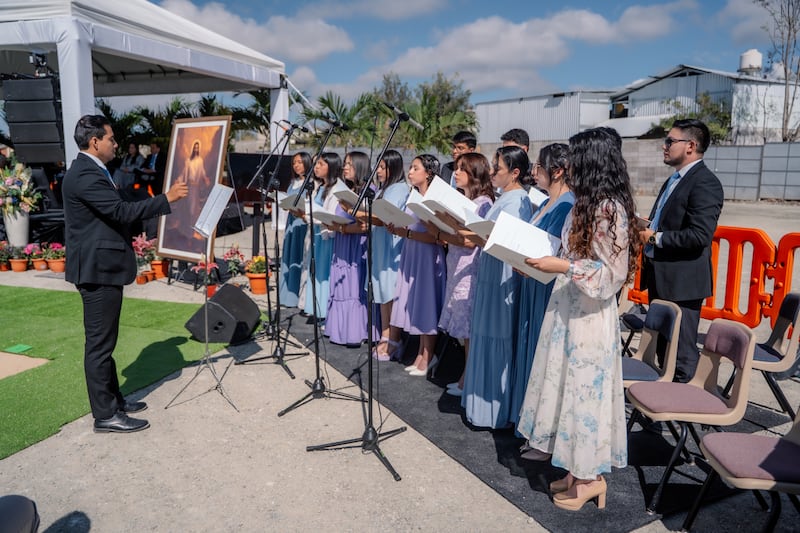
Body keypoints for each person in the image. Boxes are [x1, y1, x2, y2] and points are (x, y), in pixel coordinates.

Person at [516, 127, 640, 511]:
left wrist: (562, 265)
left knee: (585, 395)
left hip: (589, 318)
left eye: (576, 156)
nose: (569, 164)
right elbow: (573, 254)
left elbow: (610, 275)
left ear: (594, 160)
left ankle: (591, 479)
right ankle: (573, 470)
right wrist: (538, 262)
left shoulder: (609, 209)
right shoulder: (584, 204)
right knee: (567, 390)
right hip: (568, 308)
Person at [62, 114, 188, 433]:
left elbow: (116, 208)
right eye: (112, 139)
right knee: (100, 345)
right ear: (95, 142)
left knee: (105, 342)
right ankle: (105, 415)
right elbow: (120, 211)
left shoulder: (92, 169)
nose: (116, 144)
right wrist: (166, 199)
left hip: (102, 268)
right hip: (97, 271)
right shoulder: (85, 174)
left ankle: (114, 401)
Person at [639, 119, 724, 383]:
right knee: (665, 351)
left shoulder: (704, 183)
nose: (664, 147)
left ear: (691, 145)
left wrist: (656, 238)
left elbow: (699, 235)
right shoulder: (674, 180)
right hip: (661, 277)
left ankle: (687, 418)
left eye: (669, 141)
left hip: (683, 284)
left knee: (683, 355)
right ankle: (664, 415)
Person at [460, 145, 533, 428]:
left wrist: (478, 234)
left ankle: (493, 409)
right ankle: (481, 404)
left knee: (497, 336)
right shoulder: (507, 198)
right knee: (486, 333)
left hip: (503, 275)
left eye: (497, 168)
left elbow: (510, 243)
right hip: (493, 270)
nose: (492, 173)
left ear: (515, 173)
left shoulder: (517, 201)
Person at [509, 143, 574, 426]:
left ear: (557, 171)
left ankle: (538, 424)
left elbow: (559, 252)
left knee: (539, 350)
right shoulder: (546, 200)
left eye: (538, 166)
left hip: (546, 286)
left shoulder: (567, 203)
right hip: (531, 281)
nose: (534, 172)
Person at [428, 152, 494, 396]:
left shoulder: (484, 203)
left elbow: (470, 240)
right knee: (463, 328)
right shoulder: (469, 199)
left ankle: (469, 378)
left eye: (462, 169)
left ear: (474, 174)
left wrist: (447, 221)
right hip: (456, 265)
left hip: (470, 268)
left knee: (468, 328)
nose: (455, 173)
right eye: (456, 168)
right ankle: (467, 375)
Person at [386, 154, 446, 375]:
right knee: (416, 302)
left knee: (426, 302)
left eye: (415, 168)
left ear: (428, 173)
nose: (410, 172)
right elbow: (408, 226)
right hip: (411, 252)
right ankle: (420, 351)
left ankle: (429, 354)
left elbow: (436, 236)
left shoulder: (433, 199)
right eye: (410, 168)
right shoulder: (413, 196)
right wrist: (397, 226)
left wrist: (407, 232)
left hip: (428, 256)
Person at [365, 150, 409, 360]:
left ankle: (394, 338)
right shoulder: (384, 188)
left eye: (383, 167)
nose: (378, 171)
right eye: (378, 167)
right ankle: (385, 333)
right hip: (381, 245)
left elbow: (385, 216)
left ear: (394, 168)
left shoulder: (399, 188)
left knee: (390, 291)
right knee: (382, 291)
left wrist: (360, 213)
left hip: (392, 248)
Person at [324, 151, 370, 346]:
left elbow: (365, 225)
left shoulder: (367, 191)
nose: (345, 167)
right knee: (340, 286)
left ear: (359, 166)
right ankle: (338, 330)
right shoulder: (345, 190)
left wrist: (340, 227)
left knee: (353, 289)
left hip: (355, 249)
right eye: (345, 164)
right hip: (342, 246)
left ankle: (354, 332)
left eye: (349, 164)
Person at [302, 152, 341, 319]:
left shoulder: (336, 188)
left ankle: (324, 311)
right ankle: (316, 308)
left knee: (325, 273)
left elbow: (330, 215)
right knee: (316, 272)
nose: (316, 167)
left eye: (320, 164)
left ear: (331, 167)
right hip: (318, 233)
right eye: (316, 164)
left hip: (327, 235)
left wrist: (309, 217)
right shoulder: (322, 187)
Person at [163, 139, 213, 253]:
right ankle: (186, 233)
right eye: (194, 147)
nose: (196, 149)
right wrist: (178, 180)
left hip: (195, 188)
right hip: (188, 187)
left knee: (193, 210)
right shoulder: (188, 161)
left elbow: (202, 172)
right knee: (186, 209)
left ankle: (193, 233)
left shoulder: (200, 160)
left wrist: (205, 180)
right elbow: (184, 173)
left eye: (197, 147)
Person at [279, 152, 312, 307]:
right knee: (289, 256)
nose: (296, 165)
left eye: (299, 162)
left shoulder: (311, 183)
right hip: (291, 222)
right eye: (294, 163)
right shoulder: (293, 183)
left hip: (302, 223)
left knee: (300, 257)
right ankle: (287, 295)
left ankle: (298, 296)